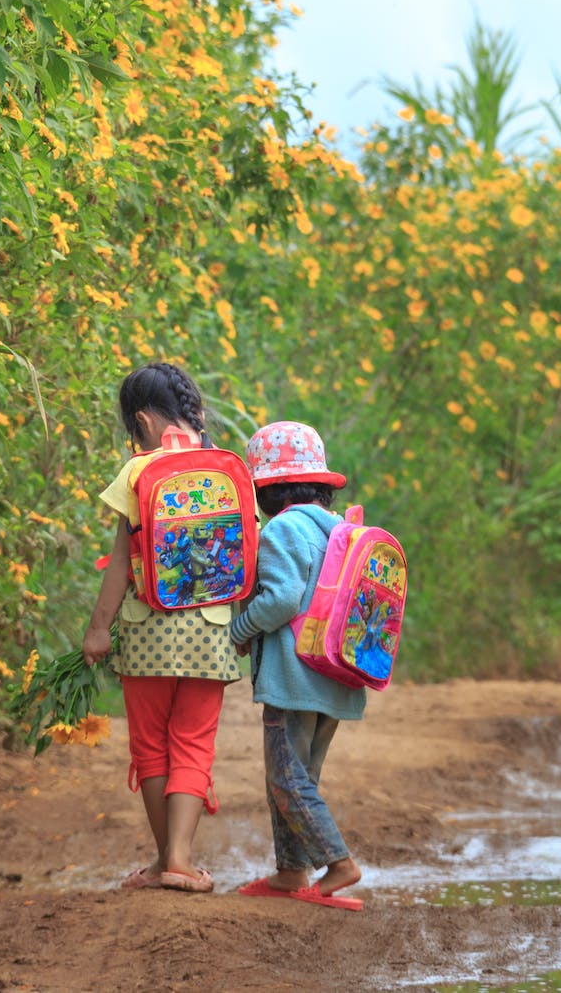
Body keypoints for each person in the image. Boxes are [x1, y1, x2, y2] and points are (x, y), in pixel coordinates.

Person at [82, 362, 238, 893]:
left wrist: (98, 631)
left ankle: (162, 861)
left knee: (151, 748)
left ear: (144, 421)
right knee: (193, 744)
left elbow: (121, 564)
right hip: (212, 633)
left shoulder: (136, 473)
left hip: (147, 629)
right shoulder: (226, 468)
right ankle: (179, 860)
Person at [230, 421, 367, 911]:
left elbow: (282, 599)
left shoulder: (283, 529)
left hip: (294, 679)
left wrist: (240, 630)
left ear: (266, 487)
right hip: (335, 676)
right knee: (296, 777)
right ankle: (291, 872)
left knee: (286, 779)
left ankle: (338, 864)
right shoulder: (339, 529)